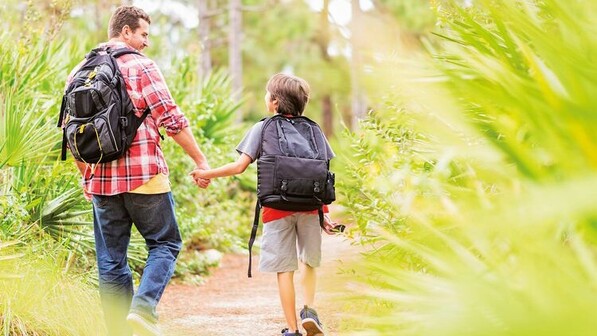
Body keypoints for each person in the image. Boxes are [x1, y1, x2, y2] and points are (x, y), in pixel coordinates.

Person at [64, 6, 210, 336]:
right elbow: (171, 119)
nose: (146, 42)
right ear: (126, 31)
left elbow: (71, 132)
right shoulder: (141, 66)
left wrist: (85, 175)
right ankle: (143, 311)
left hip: (101, 181)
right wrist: (201, 162)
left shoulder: (79, 71)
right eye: (143, 34)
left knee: (111, 261)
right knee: (165, 244)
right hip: (145, 176)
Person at [191, 73, 341, 336]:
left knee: (285, 269)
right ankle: (310, 310)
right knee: (309, 262)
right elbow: (321, 174)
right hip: (310, 208)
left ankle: (293, 329)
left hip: (276, 209)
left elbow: (239, 167)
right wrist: (324, 213)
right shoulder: (314, 130)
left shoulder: (263, 128)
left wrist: (206, 173)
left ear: (274, 102)